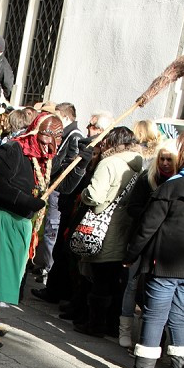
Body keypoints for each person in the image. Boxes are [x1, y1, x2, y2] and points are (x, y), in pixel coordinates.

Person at [0, 114, 63, 349]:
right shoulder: (12, 151)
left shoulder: (45, 159)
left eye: (55, 138)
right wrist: (26, 201)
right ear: (34, 131)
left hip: (21, 222)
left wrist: (80, 163)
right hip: (1, 218)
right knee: (0, 274)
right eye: (45, 136)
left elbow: (61, 183)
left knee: (10, 273)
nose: (48, 143)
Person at [117, 133, 184, 368]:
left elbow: (147, 227)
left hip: (164, 264)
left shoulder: (171, 187)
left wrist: (130, 256)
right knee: (180, 317)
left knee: (155, 316)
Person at [73, 127, 143, 339]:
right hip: (124, 228)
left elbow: (95, 196)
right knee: (115, 280)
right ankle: (112, 324)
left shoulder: (109, 163)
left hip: (103, 227)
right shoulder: (138, 165)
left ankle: (95, 325)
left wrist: (83, 193)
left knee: (100, 280)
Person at [31, 102, 83, 280]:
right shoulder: (64, 133)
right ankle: (44, 264)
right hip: (51, 184)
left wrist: (56, 169)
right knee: (46, 228)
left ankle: (48, 267)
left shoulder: (74, 135)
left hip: (58, 188)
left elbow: (69, 161)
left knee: (52, 230)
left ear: (66, 117)